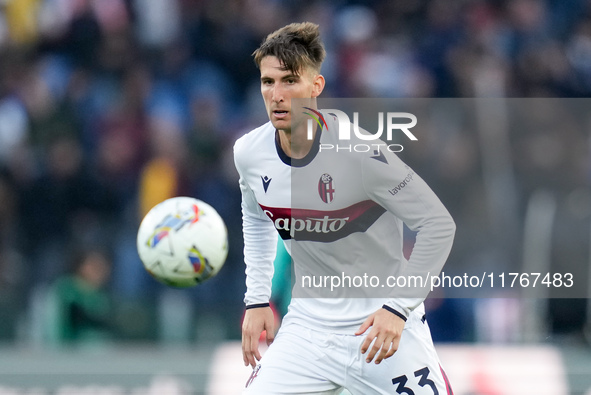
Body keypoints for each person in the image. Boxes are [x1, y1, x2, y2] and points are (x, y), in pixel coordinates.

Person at [233, 22, 456, 394]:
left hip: (381, 329)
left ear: (316, 87)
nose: (276, 95)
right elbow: (255, 217)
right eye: (268, 82)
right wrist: (257, 298)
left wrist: (398, 308)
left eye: (290, 81)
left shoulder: (361, 153)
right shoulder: (249, 153)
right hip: (308, 332)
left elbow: (438, 224)